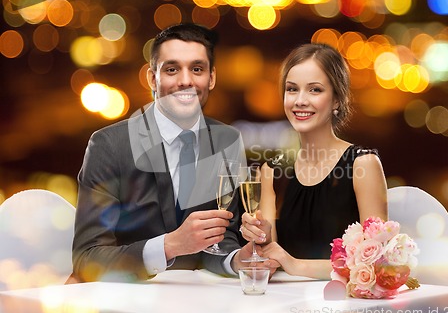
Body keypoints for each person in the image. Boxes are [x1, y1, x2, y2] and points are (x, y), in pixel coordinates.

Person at [71, 23, 262, 283]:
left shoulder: (228, 140)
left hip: (205, 301)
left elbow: (222, 234)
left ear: (212, 78)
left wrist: (235, 259)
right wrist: (169, 245)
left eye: (197, 69)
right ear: (152, 78)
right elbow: (87, 257)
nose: (186, 80)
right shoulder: (109, 145)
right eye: (172, 69)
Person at [240, 43, 388, 280]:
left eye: (315, 90)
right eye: (292, 89)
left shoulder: (363, 164)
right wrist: (261, 239)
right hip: (285, 307)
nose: (300, 100)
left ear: (337, 100)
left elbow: (376, 264)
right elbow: (270, 259)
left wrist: (295, 264)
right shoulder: (272, 171)